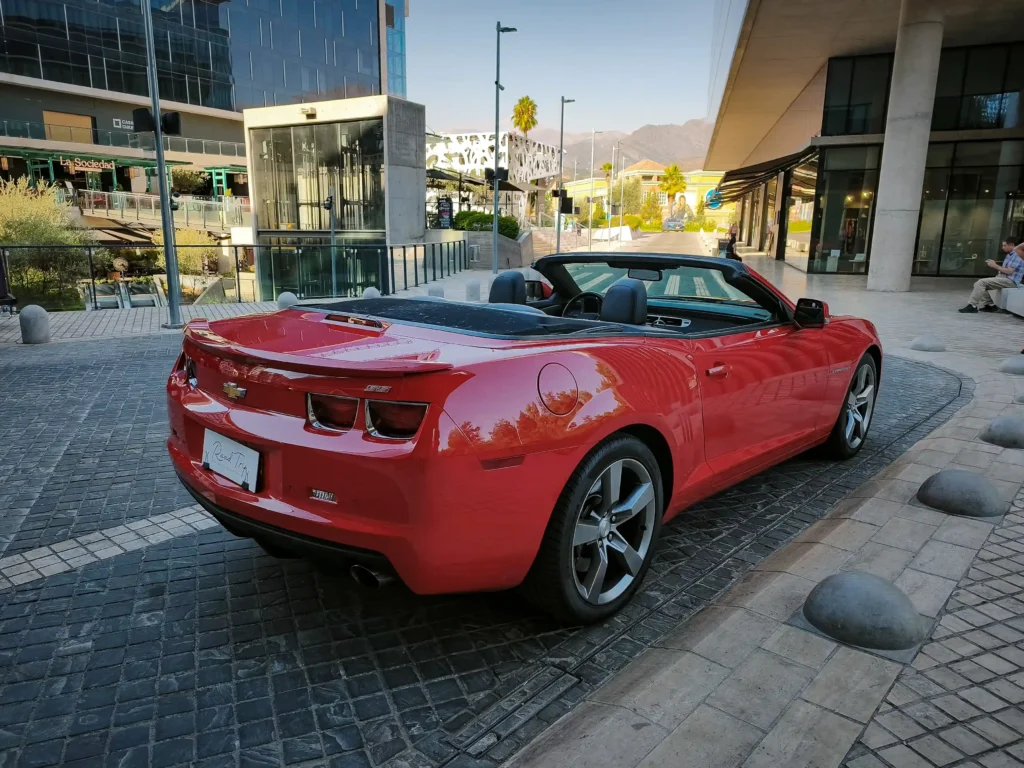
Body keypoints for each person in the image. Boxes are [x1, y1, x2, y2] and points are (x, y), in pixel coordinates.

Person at [958, 237, 1024, 313]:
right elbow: (1006, 270)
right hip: (1004, 278)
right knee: (980, 284)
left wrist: (995, 266)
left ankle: (972, 305)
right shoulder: (1010, 255)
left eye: (1005, 245)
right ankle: (989, 305)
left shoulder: (1017, 255)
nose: (1002, 248)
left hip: (1011, 281)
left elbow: (1009, 271)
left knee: (981, 282)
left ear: (1012, 245)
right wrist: (996, 267)